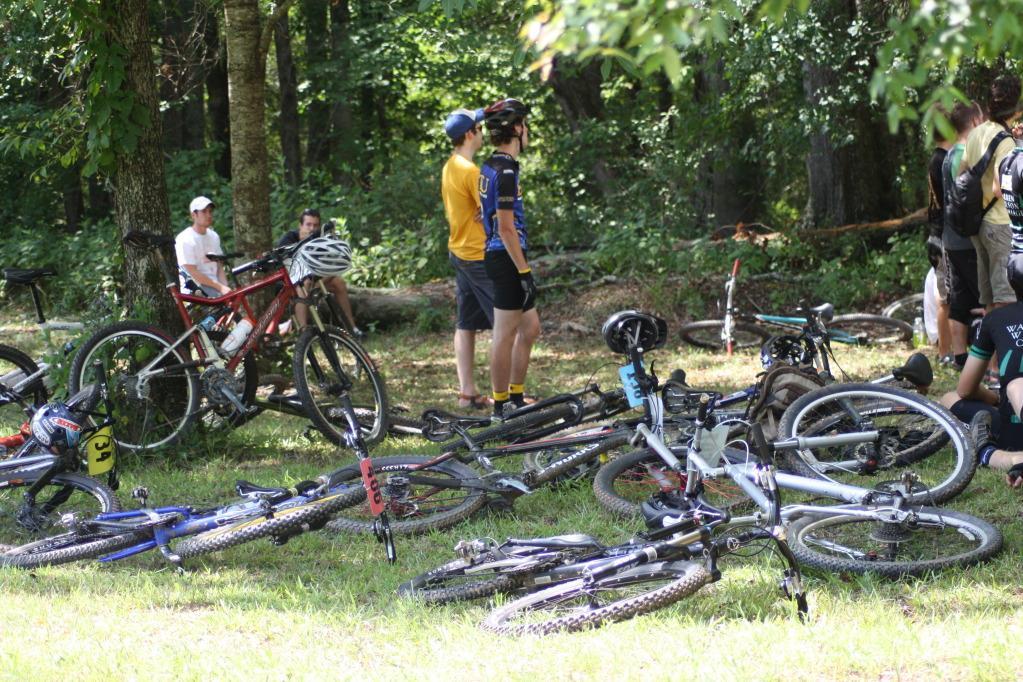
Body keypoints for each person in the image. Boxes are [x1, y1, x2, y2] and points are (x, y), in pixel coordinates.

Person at [479, 98, 540, 417]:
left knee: (530, 328)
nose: (527, 131)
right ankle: (500, 405)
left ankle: (516, 396)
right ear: (516, 129)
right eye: (525, 125)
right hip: (505, 257)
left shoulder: (494, 165)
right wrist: (524, 271)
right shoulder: (503, 171)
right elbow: (504, 227)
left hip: (507, 254)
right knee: (504, 334)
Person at [441, 107, 495, 410]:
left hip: (459, 252)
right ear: (470, 134)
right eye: (479, 127)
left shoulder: (451, 166)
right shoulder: (471, 171)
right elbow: (495, 211)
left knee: (466, 323)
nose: (483, 131)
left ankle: (467, 393)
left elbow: (479, 208)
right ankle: (508, 394)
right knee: (506, 321)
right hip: (477, 255)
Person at [957, 76, 1020, 317]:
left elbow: (961, 172)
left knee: (990, 301)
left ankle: (990, 355)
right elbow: (999, 188)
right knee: (1005, 297)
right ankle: (1005, 354)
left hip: (978, 223)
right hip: (1000, 224)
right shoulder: (1005, 142)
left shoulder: (977, 132)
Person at [941, 101, 985, 369]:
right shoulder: (963, 153)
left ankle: (960, 356)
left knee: (959, 299)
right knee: (986, 298)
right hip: (967, 240)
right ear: (976, 123)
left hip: (952, 239)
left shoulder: (949, 154)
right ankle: (990, 363)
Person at [277, 208, 362, 337]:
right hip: (289, 283)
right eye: (308, 224)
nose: (312, 228)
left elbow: (330, 266)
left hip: (313, 281)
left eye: (315, 225)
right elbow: (287, 268)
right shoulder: (288, 240)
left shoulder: (319, 241)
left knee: (338, 282)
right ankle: (304, 333)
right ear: (300, 225)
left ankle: (352, 329)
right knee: (303, 285)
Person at [925, 117, 952, 360]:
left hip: (937, 233)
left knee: (945, 295)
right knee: (944, 298)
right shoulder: (942, 160)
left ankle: (947, 350)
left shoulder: (938, 158)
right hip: (941, 235)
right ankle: (944, 352)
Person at [175, 196, 230, 297]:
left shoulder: (214, 236)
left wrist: (225, 288)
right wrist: (220, 288)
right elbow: (192, 272)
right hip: (194, 290)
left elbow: (219, 266)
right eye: (204, 211)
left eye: (210, 211)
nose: (208, 215)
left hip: (214, 288)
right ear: (193, 215)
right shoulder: (185, 239)